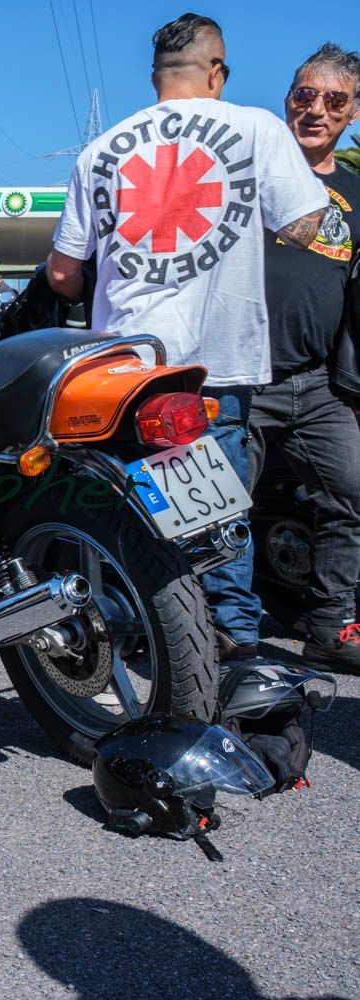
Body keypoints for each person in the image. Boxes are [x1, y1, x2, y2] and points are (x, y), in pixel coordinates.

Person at [46, 13, 329, 661]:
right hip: (211, 364)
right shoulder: (255, 127)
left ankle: (134, 632)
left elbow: (63, 273)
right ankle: (232, 655)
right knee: (213, 519)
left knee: (125, 509)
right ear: (217, 72)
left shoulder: (102, 149)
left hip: (119, 368)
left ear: (154, 78)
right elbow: (308, 226)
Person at [249, 43, 360, 672]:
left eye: (334, 100)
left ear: (353, 114)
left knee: (351, 498)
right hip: (238, 379)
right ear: (288, 98)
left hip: (319, 385)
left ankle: (328, 628)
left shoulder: (355, 195)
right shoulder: (247, 174)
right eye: (303, 94)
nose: (315, 109)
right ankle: (224, 634)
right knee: (218, 514)